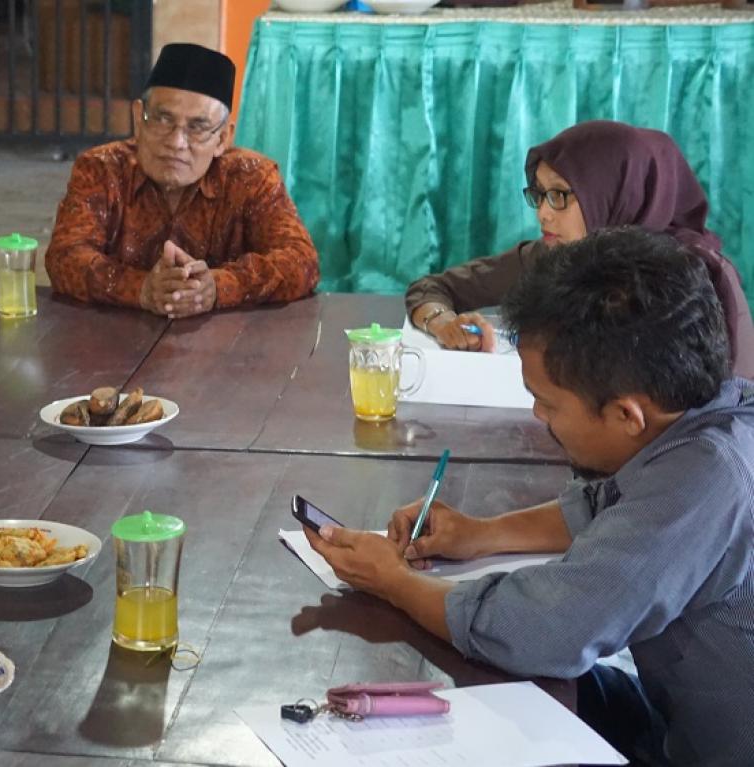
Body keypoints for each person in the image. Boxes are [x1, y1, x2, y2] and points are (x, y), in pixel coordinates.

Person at [309, 227, 754, 766]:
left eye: (547, 403)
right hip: (671, 718)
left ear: (626, 415)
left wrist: (394, 581)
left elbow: (545, 630)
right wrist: (480, 534)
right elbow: (611, 505)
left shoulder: (705, 481)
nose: (539, 416)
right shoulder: (711, 416)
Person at [405, 120, 754, 378]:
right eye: (540, 194)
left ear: (616, 194)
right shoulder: (561, 255)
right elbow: (432, 288)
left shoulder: (697, 281)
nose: (543, 212)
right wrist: (443, 322)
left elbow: (731, 410)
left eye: (559, 195)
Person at [45, 43, 319, 318]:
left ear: (223, 138)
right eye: (163, 120)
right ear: (139, 119)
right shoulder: (101, 169)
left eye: (197, 127)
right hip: (113, 336)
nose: (177, 142)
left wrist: (218, 287)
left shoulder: (252, 177)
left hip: (228, 341)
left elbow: (301, 260)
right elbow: (64, 256)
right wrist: (140, 289)